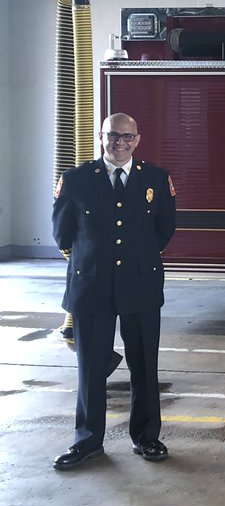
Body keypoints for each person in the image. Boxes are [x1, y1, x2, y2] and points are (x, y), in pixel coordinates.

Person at [51, 113, 177, 471]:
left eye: (126, 137)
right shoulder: (76, 180)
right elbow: (62, 234)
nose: (118, 143)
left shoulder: (155, 179)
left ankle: (147, 436)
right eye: (112, 136)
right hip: (91, 285)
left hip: (140, 283)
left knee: (143, 364)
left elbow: (164, 229)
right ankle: (87, 441)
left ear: (137, 140)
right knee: (90, 367)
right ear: (101, 137)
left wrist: (136, 257)